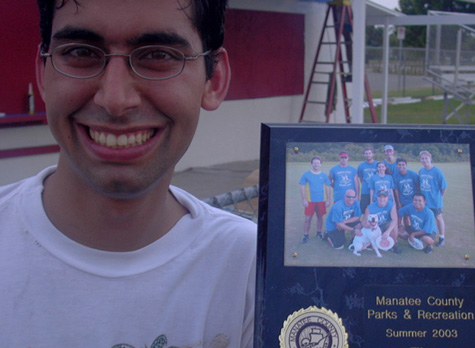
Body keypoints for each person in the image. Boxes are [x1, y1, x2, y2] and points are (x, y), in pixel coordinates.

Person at [0, 1, 256, 347]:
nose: (115, 100)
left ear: (214, 80)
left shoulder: (252, 273)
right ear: (43, 73)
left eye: (159, 55)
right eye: (80, 52)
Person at [419, 150, 448, 247]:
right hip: (424, 202)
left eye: (426, 158)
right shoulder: (421, 171)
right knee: (426, 220)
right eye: (422, 158)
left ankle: (442, 238)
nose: (424, 160)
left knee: (438, 218)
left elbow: (444, 188)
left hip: (435, 202)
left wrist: (439, 198)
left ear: (430, 158)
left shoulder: (437, 171)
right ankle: (427, 237)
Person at [299, 156, 331, 243]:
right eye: (314, 163)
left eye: (318, 163)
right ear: (312, 164)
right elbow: (302, 188)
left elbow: (327, 188)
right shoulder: (306, 175)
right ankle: (305, 235)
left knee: (320, 217)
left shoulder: (324, 175)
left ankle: (319, 233)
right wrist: (304, 199)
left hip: (321, 201)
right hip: (310, 201)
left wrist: (328, 200)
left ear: (321, 164)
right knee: (307, 219)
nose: (316, 164)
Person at [361, 189, 401, 254]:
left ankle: (393, 245)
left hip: (385, 224)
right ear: (377, 197)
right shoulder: (370, 207)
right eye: (380, 197)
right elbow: (363, 223)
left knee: (394, 227)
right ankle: (371, 243)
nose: (382, 199)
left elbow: (395, 220)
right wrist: (370, 226)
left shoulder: (391, 205)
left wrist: (388, 231)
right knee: (373, 247)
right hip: (375, 227)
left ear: (388, 197)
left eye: (384, 197)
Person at [357, 147, 378, 214]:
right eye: (366, 153)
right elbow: (361, 179)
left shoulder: (377, 164)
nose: (368, 155)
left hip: (376, 191)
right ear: (364, 155)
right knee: (364, 210)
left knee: (376, 210)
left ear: (373, 154)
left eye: (369, 153)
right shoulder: (361, 166)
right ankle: (364, 224)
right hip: (365, 191)